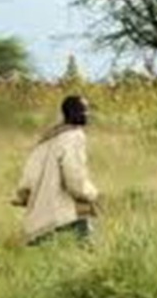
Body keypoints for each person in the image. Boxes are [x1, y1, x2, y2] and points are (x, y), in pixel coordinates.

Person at [12, 95, 99, 246]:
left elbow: (27, 179)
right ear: (71, 113)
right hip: (66, 212)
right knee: (86, 252)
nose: (87, 114)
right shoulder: (74, 136)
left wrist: (24, 197)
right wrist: (91, 194)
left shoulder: (46, 140)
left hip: (40, 217)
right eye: (82, 111)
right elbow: (75, 181)